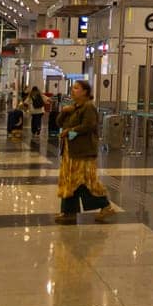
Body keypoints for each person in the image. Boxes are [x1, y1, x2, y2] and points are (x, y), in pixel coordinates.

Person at [55, 80, 117, 224]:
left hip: (83, 151)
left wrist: (70, 131)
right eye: (73, 88)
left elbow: (89, 125)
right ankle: (69, 212)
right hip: (70, 151)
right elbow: (59, 123)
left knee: (83, 182)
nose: (73, 90)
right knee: (70, 182)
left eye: (76, 88)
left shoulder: (88, 107)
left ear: (85, 92)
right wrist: (64, 112)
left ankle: (105, 206)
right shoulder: (73, 108)